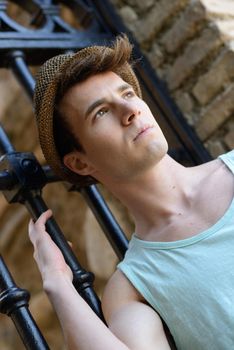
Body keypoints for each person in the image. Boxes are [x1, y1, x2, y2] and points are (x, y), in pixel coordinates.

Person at [29, 35, 234, 350]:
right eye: (100, 112)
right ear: (80, 163)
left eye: (127, 93)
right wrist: (58, 284)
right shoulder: (135, 286)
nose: (129, 109)